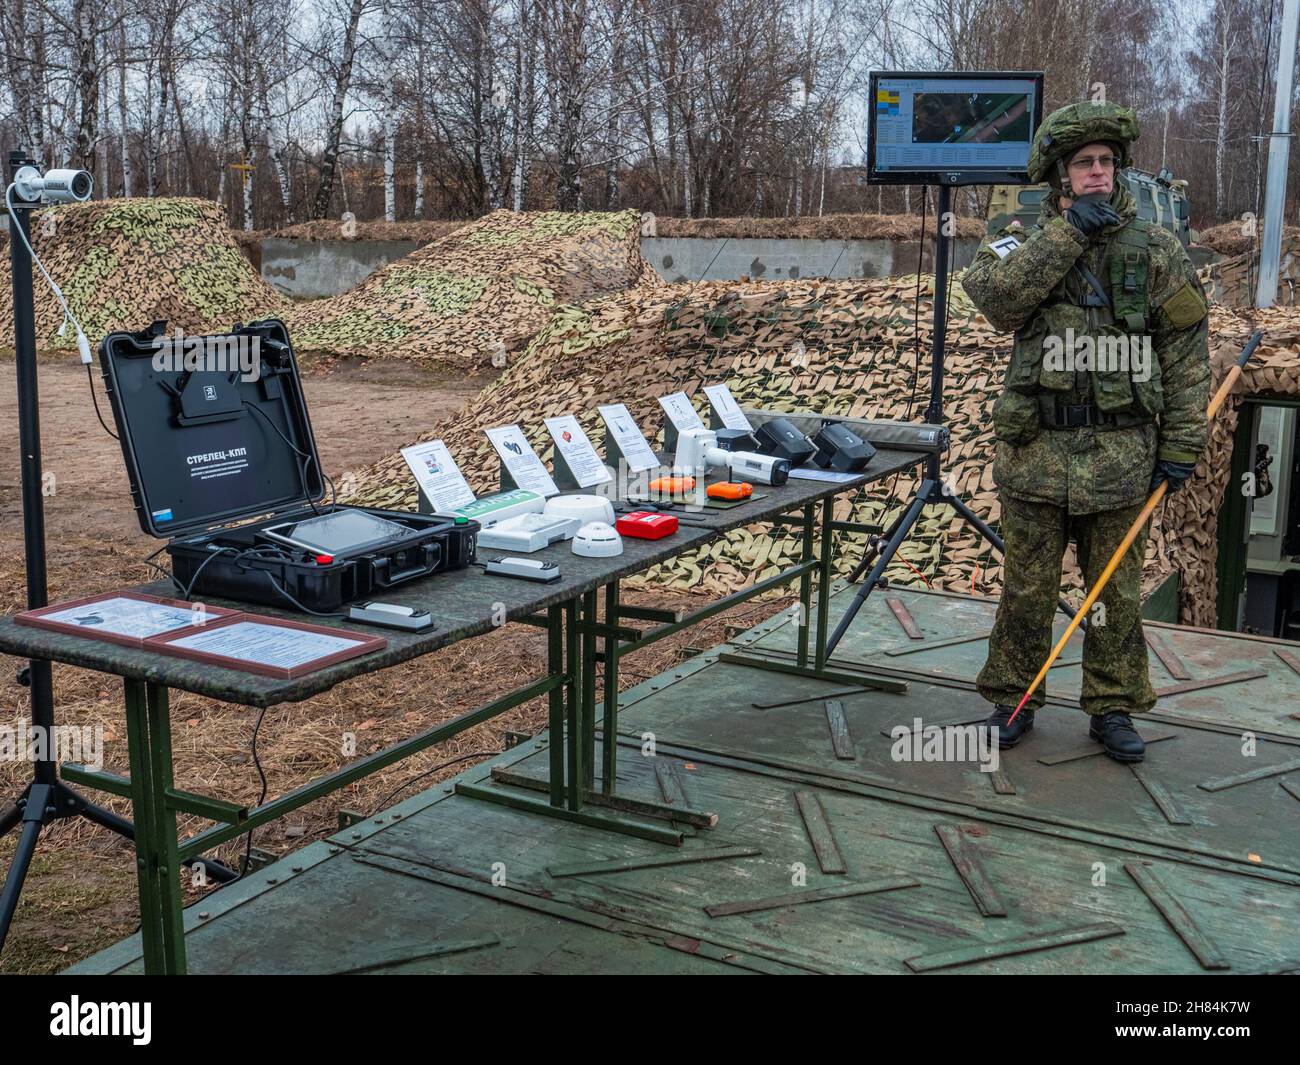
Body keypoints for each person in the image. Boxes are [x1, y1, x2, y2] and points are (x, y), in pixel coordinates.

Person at [960, 101, 1211, 762]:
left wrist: (1183, 441)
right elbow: (996, 300)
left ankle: (1112, 705)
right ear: (1061, 175)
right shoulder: (1021, 229)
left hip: (1122, 456)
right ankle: (1013, 698)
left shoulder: (1153, 244)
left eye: (1106, 161)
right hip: (1037, 452)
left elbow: (1185, 350)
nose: (1098, 172)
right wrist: (1067, 233)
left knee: (1114, 597)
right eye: (1083, 163)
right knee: (1026, 590)